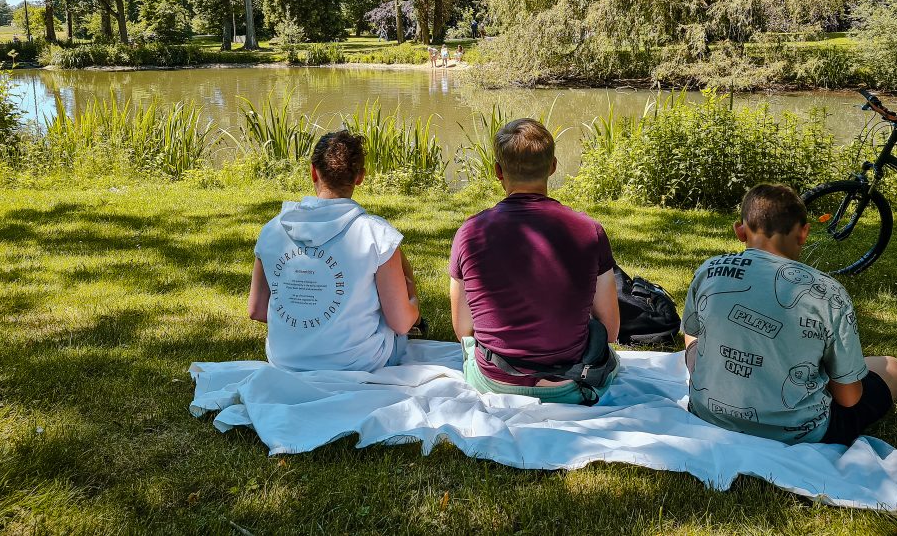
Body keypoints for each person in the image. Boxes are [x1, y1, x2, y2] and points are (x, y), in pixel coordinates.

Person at [682, 184, 897, 445]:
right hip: (801, 433)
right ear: (804, 233)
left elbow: (692, 331)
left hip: (707, 415)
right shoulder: (829, 292)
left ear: (740, 231)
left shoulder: (709, 270)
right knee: (894, 367)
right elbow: (849, 398)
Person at [449, 118, 621, 404]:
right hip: (568, 386)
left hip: (492, 382)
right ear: (553, 166)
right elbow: (611, 329)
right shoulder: (590, 230)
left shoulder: (470, 232)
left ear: (498, 172)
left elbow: (462, 330)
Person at [247, 130, 422, 372]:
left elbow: (256, 310)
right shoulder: (377, 235)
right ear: (360, 177)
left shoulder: (273, 230)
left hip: (285, 361)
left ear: (313, 171)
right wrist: (412, 299)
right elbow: (401, 323)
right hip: (358, 364)